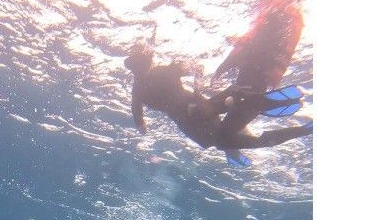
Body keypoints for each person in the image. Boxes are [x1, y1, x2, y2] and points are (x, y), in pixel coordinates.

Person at [125, 46, 311, 166]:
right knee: (223, 132)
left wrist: (142, 125)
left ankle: (254, 105)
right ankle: (246, 101)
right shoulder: (157, 75)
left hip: (192, 114)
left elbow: (138, 117)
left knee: (222, 137)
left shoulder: (142, 87)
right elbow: (194, 69)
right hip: (198, 108)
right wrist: (199, 88)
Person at [212, 0, 305, 136]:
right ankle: (264, 104)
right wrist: (222, 69)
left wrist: (221, 70)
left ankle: (265, 104)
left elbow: (240, 50)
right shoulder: (283, 27)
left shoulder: (266, 31)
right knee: (224, 130)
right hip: (252, 87)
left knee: (224, 131)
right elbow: (242, 50)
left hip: (250, 87)